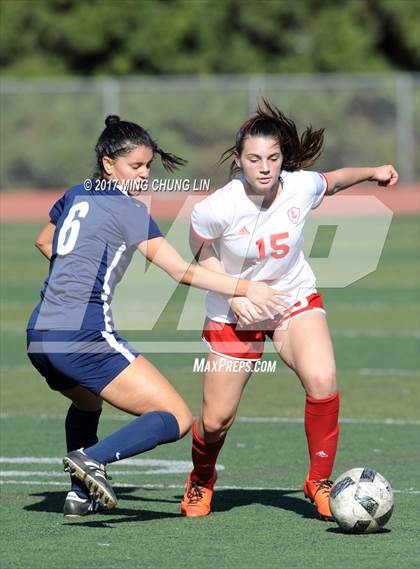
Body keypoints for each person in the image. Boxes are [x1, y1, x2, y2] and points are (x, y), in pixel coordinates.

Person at [26, 115, 284, 517]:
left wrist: (80, 275)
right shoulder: (128, 210)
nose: (145, 174)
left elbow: (45, 240)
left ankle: (79, 494)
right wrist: (246, 287)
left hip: (40, 333)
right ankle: (91, 460)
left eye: (149, 165)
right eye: (136, 166)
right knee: (175, 416)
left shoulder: (76, 193)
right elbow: (181, 271)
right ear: (108, 164)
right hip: (81, 334)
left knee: (87, 404)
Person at [180, 99, 399, 520]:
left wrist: (373, 172)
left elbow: (333, 181)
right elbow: (198, 250)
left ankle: (319, 481)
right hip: (234, 312)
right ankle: (201, 479)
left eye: (273, 158)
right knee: (215, 421)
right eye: (254, 158)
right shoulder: (218, 208)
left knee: (323, 378)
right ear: (239, 160)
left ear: (283, 159)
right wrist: (236, 294)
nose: (264, 167)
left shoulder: (298, 186)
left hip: (291, 298)